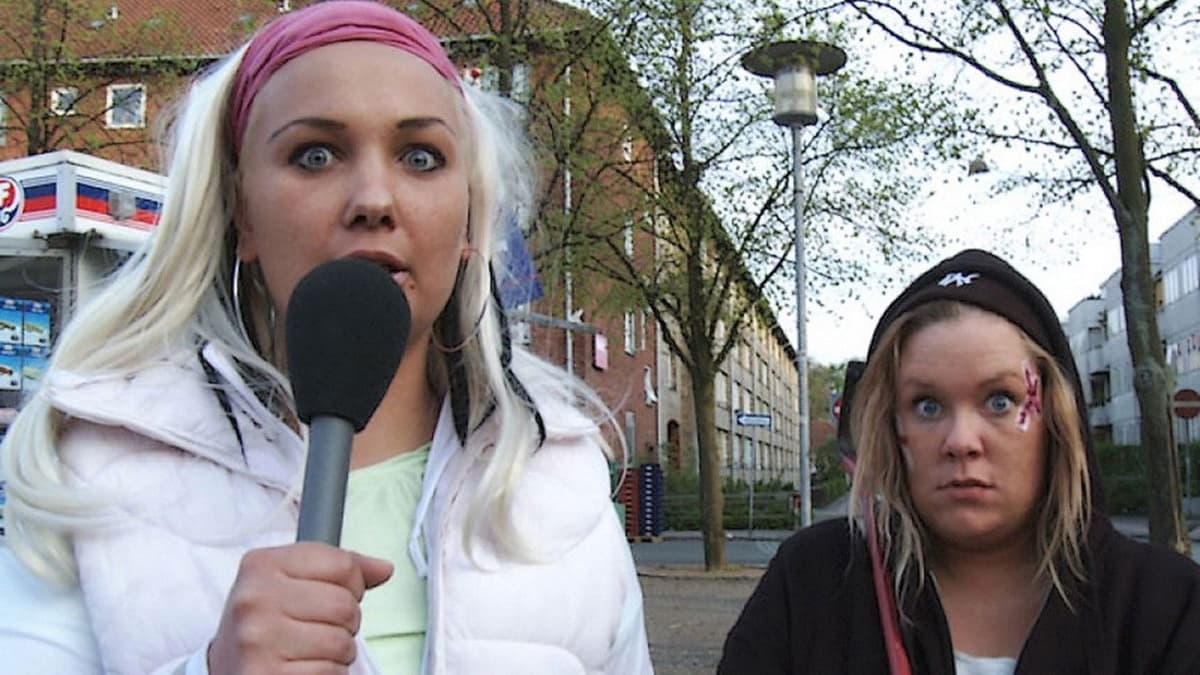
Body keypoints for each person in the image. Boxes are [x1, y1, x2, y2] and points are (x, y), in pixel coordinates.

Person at [0, 2, 652, 673]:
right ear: (241, 211)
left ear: (469, 219)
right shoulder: (91, 474)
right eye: (315, 155)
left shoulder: (557, 478)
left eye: (421, 157)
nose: (374, 199)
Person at [719, 248, 1200, 674]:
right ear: (889, 425)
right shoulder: (812, 584)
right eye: (927, 406)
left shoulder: (1167, 606)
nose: (961, 441)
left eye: (1000, 401)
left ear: (1056, 417)